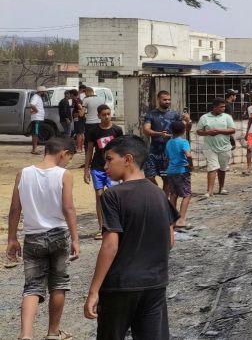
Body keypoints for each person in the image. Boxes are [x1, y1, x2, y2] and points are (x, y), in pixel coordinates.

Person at [83, 135, 179, 339]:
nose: (105, 166)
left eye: (109, 159)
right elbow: (170, 239)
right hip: (154, 284)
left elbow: (110, 246)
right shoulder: (159, 194)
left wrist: (94, 291)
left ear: (127, 159)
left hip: (120, 285)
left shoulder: (113, 195)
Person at [6, 137, 79, 340]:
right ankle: (53, 333)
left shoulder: (23, 174)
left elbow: (14, 209)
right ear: (63, 153)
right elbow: (68, 208)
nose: (67, 162)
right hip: (59, 234)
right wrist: (75, 238)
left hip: (33, 236)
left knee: (32, 287)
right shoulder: (64, 175)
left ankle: (25, 335)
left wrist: (12, 238)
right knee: (59, 284)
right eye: (69, 158)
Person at [83, 105, 123, 240]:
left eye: (108, 114)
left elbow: (122, 149)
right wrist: (86, 170)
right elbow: (89, 151)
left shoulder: (117, 130)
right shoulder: (93, 131)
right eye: (104, 114)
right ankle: (101, 227)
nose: (106, 117)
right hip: (98, 167)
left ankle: (117, 224)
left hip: (113, 168)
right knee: (99, 197)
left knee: (115, 196)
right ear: (99, 116)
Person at [142, 91, 191, 187]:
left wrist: (188, 120)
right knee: (149, 176)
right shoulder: (151, 114)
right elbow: (146, 130)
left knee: (166, 179)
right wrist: (159, 134)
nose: (167, 101)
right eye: (164, 99)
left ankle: (164, 200)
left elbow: (186, 129)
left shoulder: (175, 115)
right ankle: (158, 193)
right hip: (154, 151)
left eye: (169, 99)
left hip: (168, 153)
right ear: (158, 100)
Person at [196, 98, 236, 199]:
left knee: (222, 168)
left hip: (225, 146)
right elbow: (199, 131)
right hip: (210, 147)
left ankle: (221, 188)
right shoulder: (204, 117)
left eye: (224, 107)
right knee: (212, 167)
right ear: (214, 107)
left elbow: (232, 130)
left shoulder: (227, 117)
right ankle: (209, 191)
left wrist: (219, 131)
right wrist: (207, 133)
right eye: (221, 107)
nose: (223, 108)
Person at [164, 121, 193, 230]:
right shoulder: (184, 142)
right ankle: (181, 220)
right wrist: (191, 166)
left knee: (173, 194)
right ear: (184, 130)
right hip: (182, 171)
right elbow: (188, 155)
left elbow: (166, 158)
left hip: (171, 171)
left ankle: (173, 219)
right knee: (187, 195)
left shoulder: (169, 143)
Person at [29, 86, 47, 155]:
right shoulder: (35, 97)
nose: (45, 93)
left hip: (39, 118)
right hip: (37, 119)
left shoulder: (38, 97)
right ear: (41, 92)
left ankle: (35, 149)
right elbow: (32, 105)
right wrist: (36, 111)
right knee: (35, 134)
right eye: (44, 92)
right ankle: (34, 150)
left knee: (36, 134)